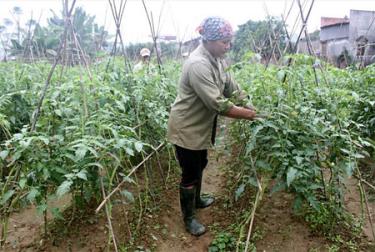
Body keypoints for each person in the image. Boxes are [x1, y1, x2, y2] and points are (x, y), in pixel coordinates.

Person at [167, 16, 257, 236]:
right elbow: (218, 104)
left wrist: (247, 102)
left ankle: (196, 200)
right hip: (187, 127)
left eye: (229, 41)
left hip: (202, 126)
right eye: (224, 42)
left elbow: (230, 86)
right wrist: (250, 115)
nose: (228, 46)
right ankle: (189, 219)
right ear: (208, 40)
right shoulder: (198, 64)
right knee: (190, 172)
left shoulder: (217, 58)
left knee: (202, 162)